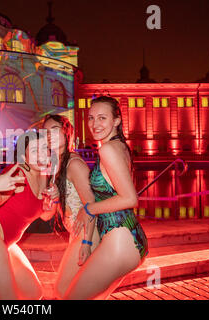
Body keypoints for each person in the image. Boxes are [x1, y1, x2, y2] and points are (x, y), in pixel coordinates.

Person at [63, 96, 148, 300]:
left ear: (116, 121)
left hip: (121, 240)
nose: (94, 124)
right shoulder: (120, 147)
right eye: (91, 118)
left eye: (102, 118)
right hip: (127, 238)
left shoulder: (108, 149)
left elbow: (129, 199)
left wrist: (89, 208)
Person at [0, 131, 55, 300]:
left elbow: (45, 216)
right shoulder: (18, 174)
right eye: (35, 151)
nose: (42, 154)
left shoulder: (44, 176)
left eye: (44, 148)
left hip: (6, 242)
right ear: (23, 156)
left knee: (33, 293)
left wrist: (52, 202)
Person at [41, 114, 100, 299]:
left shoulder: (74, 164)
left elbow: (92, 205)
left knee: (62, 289)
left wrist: (87, 242)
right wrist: (51, 201)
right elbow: (46, 216)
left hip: (88, 231)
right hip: (76, 233)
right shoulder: (54, 167)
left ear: (67, 134)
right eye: (45, 131)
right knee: (75, 291)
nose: (49, 135)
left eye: (54, 129)